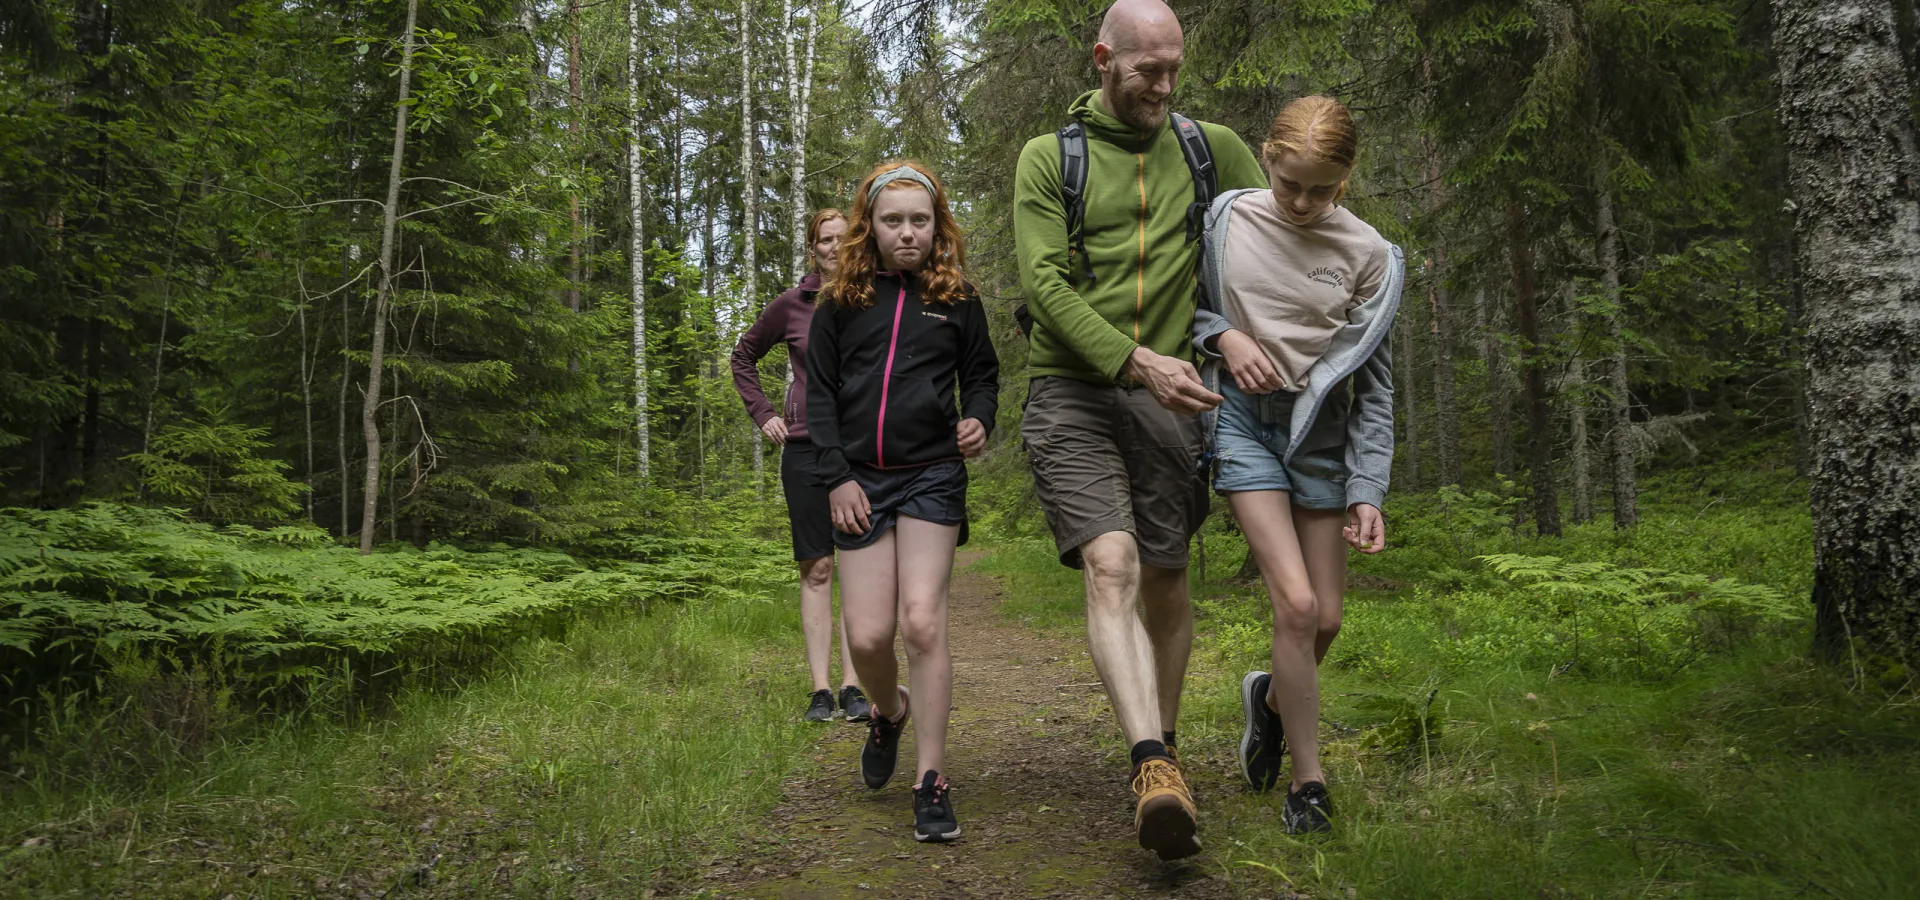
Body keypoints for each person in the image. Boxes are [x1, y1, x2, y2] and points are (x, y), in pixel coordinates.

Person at [1012, 0, 1266, 861]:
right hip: (1073, 389)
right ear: (1102, 58)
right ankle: (1151, 762)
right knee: (1111, 560)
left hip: (1176, 396)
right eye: (1145, 69)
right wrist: (1135, 361)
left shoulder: (1211, 149)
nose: (1162, 86)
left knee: (1165, 575)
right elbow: (1045, 285)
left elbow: (1276, 239)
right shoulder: (1050, 158)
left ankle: (1167, 747)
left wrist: (1227, 340)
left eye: (1173, 69)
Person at [1191, 95, 1403, 835]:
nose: (1305, 202)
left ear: (1347, 177)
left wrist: (1368, 487)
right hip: (1243, 421)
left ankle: (1271, 700)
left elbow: (1373, 384)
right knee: (1298, 605)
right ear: (1268, 158)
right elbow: (1180, 307)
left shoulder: (1370, 255)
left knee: (1330, 618)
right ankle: (1308, 783)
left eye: (1324, 188)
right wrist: (1222, 337)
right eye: (1291, 184)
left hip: (1322, 437)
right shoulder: (1225, 219)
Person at [806, 159, 999, 843]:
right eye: (894, 221)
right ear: (871, 226)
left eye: (920, 220)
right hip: (857, 477)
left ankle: (932, 779)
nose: (908, 232)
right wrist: (835, 477)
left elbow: (982, 376)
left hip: (931, 476)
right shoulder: (840, 302)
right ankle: (890, 711)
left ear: (937, 225)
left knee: (922, 623)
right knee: (864, 636)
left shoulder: (957, 298)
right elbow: (819, 397)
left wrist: (979, 417)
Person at [732, 209, 874, 725]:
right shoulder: (793, 306)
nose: (834, 248)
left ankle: (855, 685)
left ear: (856, 241)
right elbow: (742, 355)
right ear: (813, 249)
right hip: (806, 449)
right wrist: (764, 412)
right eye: (824, 241)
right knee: (817, 567)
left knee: (859, 569)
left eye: (842, 239)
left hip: (862, 450)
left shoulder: (872, 298)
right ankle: (821, 690)